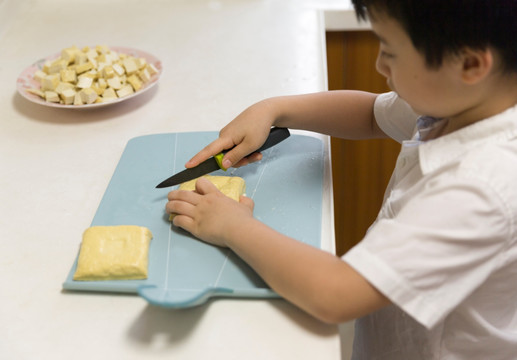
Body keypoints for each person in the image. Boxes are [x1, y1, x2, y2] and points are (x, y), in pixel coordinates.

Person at [165, 0, 517, 358]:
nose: (379, 64)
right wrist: (273, 109)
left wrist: (232, 227)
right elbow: (369, 114)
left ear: (471, 64)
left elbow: (335, 293)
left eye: (390, 52)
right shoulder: (462, 103)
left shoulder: (479, 188)